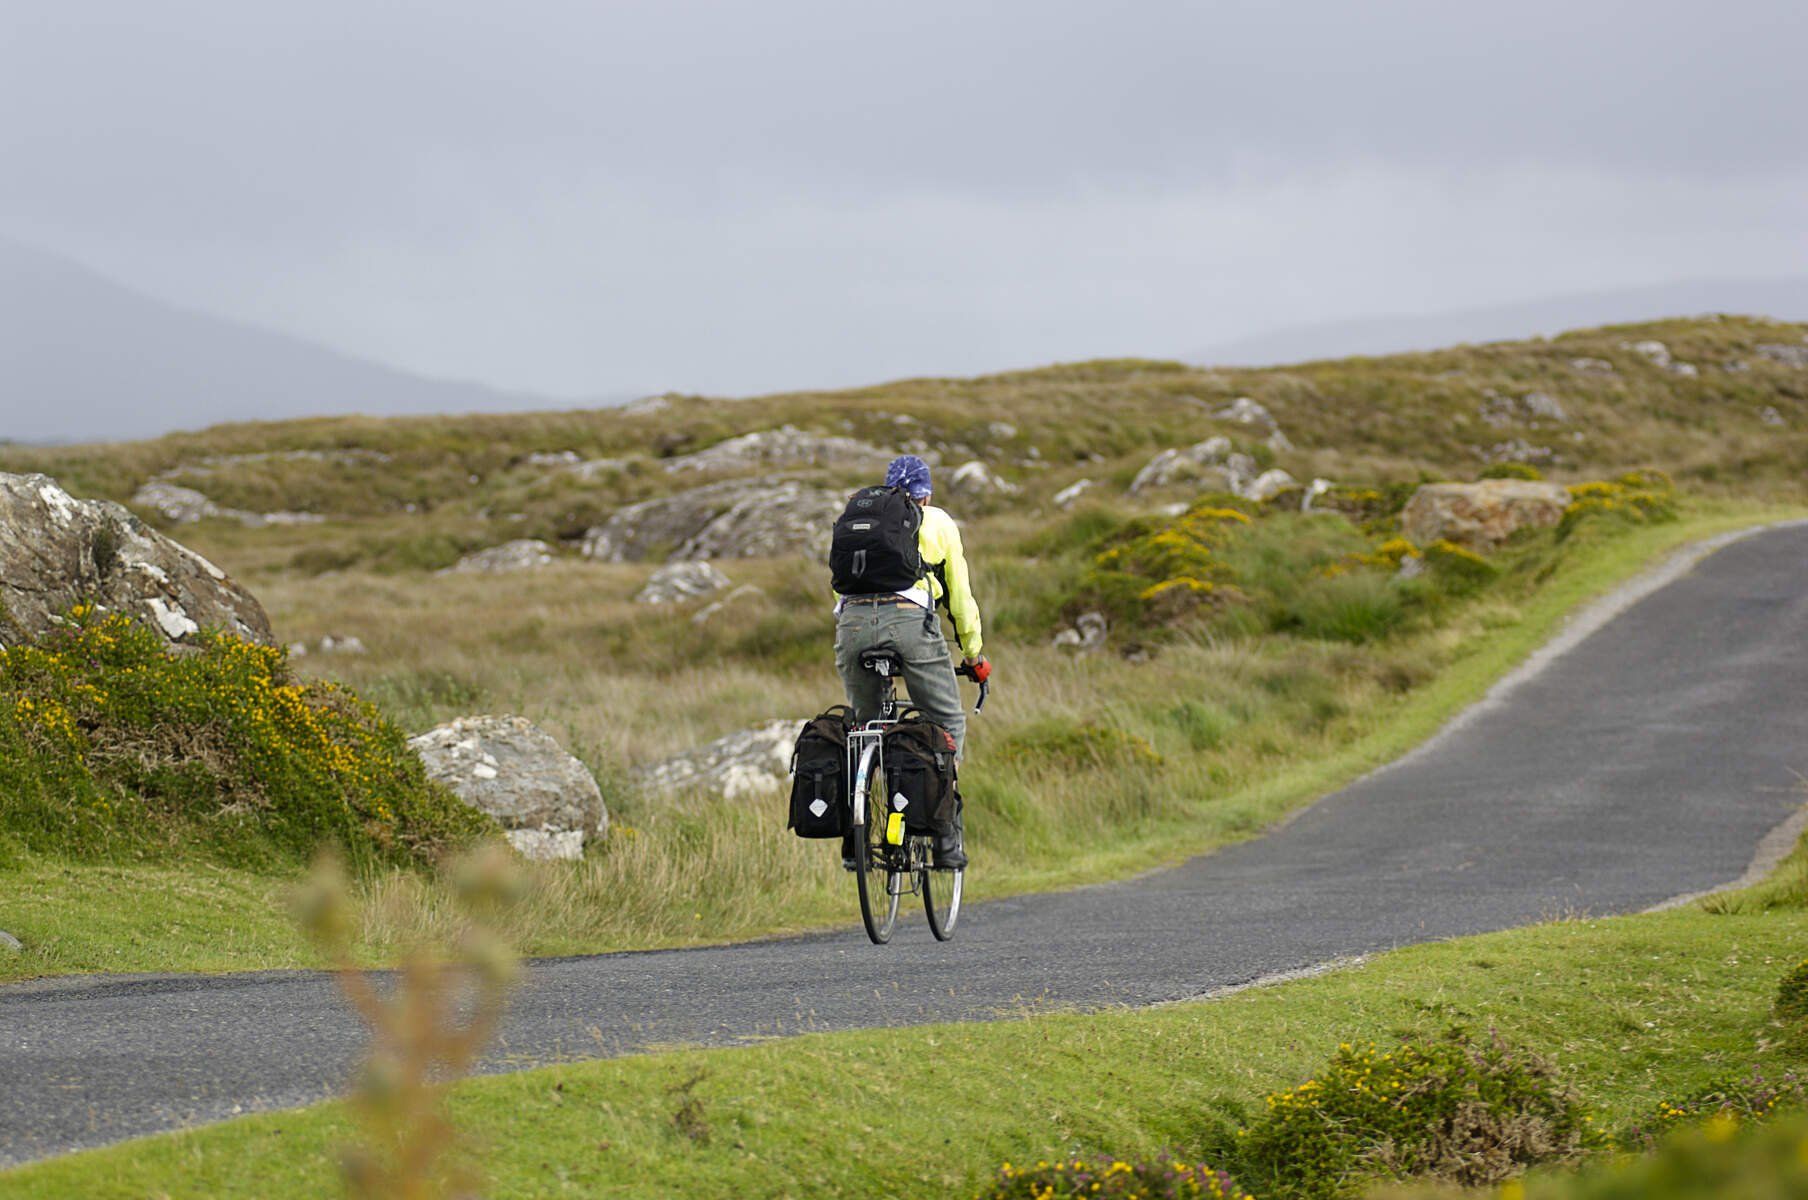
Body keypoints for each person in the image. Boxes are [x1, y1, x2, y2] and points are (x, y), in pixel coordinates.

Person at [834, 454, 988, 870]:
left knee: (863, 730)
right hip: (910, 626)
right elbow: (959, 599)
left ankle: (855, 838)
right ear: (927, 493)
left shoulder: (859, 519)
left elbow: (841, 589)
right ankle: (944, 838)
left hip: (852, 626)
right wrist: (973, 655)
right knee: (947, 723)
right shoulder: (937, 522)